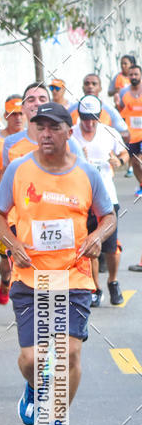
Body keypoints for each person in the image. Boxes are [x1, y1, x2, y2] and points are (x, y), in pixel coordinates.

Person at [0, 102, 115, 425]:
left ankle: (55, 423)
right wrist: (12, 244)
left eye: (53, 127)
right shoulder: (18, 169)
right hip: (29, 277)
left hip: (73, 276)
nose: (45, 133)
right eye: (40, 127)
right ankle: (33, 387)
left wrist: (95, 238)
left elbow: (108, 216)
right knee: (32, 360)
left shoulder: (86, 173)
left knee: (70, 354)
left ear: (68, 132)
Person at [0, 83, 84, 306]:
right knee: (26, 271)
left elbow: (81, 181)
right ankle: (31, 309)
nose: (36, 103)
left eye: (42, 98)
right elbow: (8, 184)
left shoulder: (70, 143)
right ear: (24, 107)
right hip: (23, 219)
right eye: (31, 99)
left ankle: (52, 311)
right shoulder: (11, 143)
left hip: (60, 216)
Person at [73, 96, 128, 306]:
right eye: (85, 119)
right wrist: (77, 158)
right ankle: (94, 288)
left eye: (93, 119)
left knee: (111, 247)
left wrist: (119, 160)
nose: (89, 123)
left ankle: (113, 282)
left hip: (107, 197)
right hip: (82, 199)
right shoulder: (72, 135)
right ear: (79, 117)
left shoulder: (109, 133)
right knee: (89, 246)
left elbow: (125, 152)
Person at [68, 74, 129, 140]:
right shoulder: (72, 110)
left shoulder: (110, 111)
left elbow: (126, 134)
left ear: (100, 88)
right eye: (87, 84)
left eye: (94, 84)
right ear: (83, 88)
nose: (90, 86)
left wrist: (104, 138)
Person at [117, 64, 142, 196]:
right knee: (134, 163)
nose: (133, 77)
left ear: (140, 75)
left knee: (139, 159)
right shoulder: (123, 92)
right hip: (132, 135)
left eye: (136, 74)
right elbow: (121, 111)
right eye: (131, 74)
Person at [0, 95, 25, 171]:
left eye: (21, 113)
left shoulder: (33, 139)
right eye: (14, 114)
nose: (18, 117)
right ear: (5, 116)